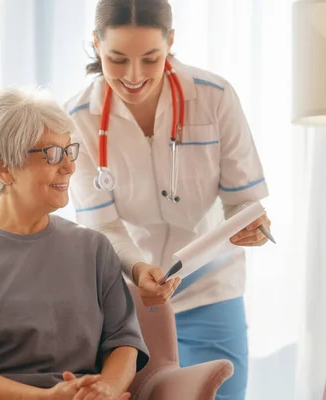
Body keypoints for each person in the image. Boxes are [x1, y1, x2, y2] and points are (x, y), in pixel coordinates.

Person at [65, 1, 272, 399]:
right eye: (117, 59)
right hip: (133, 298)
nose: (134, 76)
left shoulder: (214, 97)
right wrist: (139, 270)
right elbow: (103, 226)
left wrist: (257, 228)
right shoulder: (76, 118)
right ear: (95, 44)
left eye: (150, 58)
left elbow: (246, 204)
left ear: (171, 42)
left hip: (211, 287)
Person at [0, 86, 149, 400]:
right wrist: (46, 399)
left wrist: (106, 392)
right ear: (2, 168)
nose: (69, 166)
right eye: (52, 154)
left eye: (69, 150)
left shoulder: (95, 248)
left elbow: (125, 343)